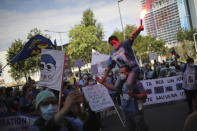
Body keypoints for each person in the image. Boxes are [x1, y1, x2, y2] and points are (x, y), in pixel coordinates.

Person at [96, 65, 148, 131]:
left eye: (122, 72)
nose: (120, 74)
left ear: (129, 73)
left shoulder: (136, 83)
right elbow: (113, 88)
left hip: (136, 112)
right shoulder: (122, 83)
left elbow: (144, 95)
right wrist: (103, 83)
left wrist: (134, 95)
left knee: (141, 128)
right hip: (126, 113)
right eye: (120, 72)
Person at [100, 25, 144, 92]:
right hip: (123, 73)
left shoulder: (125, 44)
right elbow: (109, 66)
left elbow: (132, 36)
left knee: (128, 84)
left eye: (114, 43)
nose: (114, 45)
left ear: (118, 41)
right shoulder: (113, 54)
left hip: (133, 69)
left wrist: (139, 29)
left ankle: (136, 91)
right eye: (112, 45)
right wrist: (104, 77)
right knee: (117, 87)